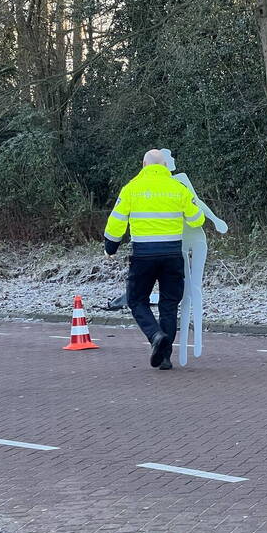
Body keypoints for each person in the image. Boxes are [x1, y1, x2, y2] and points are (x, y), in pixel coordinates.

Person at [104, 150, 205, 370]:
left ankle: (155, 335)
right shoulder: (178, 189)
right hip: (172, 255)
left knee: (136, 300)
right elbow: (197, 220)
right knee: (169, 304)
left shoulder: (131, 188)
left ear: (143, 165)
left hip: (144, 255)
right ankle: (165, 358)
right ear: (165, 166)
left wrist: (110, 247)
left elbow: (117, 221)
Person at [159, 149, 228, 367]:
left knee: (195, 288)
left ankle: (196, 342)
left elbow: (197, 202)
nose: (173, 161)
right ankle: (183, 349)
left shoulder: (181, 179)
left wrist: (215, 219)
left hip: (196, 237)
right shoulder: (160, 187)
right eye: (169, 159)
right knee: (186, 291)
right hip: (178, 240)